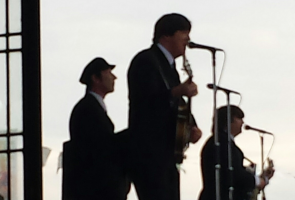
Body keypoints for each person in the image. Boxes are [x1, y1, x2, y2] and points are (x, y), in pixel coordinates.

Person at [127, 13, 202, 200]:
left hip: (167, 153)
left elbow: (179, 103)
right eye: (183, 32)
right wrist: (178, 91)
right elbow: (145, 101)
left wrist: (191, 125)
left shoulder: (169, 67)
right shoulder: (146, 60)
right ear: (166, 35)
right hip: (149, 151)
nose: (188, 38)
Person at [62, 57, 129, 200]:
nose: (114, 77)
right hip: (95, 191)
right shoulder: (88, 109)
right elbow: (101, 148)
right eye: (108, 73)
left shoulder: (88, 107)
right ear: (96, 78)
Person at [199, 105, 275, 200]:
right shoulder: (221, 143)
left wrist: (261, 178)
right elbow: (233, 175)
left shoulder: (220, 142)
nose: (242, 122)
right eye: (239, 118)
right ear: (229, 120)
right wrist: (257, 180)